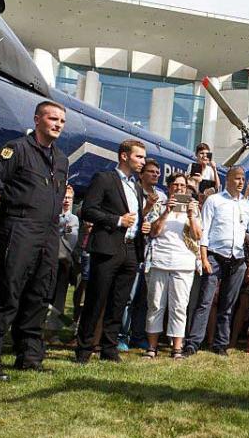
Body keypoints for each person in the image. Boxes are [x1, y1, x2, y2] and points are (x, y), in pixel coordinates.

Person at [0, 101, 70, 378]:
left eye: (62, 121)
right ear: (37, 119)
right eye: (53, 119)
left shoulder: (61, 159)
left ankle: (29, 355)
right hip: (19, 228)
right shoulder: (16, 150)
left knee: (39, 294)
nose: (58, 124)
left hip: (49, 232)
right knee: (7, 291)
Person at [74, 139, 147, 364]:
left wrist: (142, 225)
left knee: (119, 302)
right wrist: (117, 220)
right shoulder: (104, 179)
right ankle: (84, 349)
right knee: (96, 300)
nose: (143, 162)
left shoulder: (136, 186)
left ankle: (109, 348)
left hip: (131, 249)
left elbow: (135, 217)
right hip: (107, 248)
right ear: (124, 156)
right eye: (139, 157)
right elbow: (87, 210)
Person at [186, 165, 249, 356]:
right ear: (227, 179)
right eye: (237, 178)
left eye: (243, 179)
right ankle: (193, 343)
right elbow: (204, 231)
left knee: (227, 304)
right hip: (214, 256)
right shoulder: (214, 201)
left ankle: (221, 344)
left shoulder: (246, 205)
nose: (240, 182)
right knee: (205, 301)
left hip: (237, 260)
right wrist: (204, 258)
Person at [144, 172, 201, 359]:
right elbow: (153, 232)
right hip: (160, 261)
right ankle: (152, 347)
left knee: (179, 306)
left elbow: (198, 236)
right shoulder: (160, 206)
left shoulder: (193, 209)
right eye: (175, 185)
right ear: (169, 188)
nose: (179, 189)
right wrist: (167, 212)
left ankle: (177, 348)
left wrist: (191, 216)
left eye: (183, 186)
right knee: (155, 305)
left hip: (183, 263)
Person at [122, 160, 166, 350]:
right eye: (151, 172)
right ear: (142, 174)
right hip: (134, 249)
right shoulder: (133, 191)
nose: (155, 175)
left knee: (145, 299)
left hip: (154, 252)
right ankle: (121, 335)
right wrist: (147, 208)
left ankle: (138, 335)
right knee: (128, 297)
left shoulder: (162, 196)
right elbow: (131, 218)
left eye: (157, 172)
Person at [45, 185, 79, 341]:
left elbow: (71, 241)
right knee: (44, 295)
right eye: (64, 197)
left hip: (64, 263)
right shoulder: (51, 215)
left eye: (69, 198)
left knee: (59, 299)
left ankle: (53, 332)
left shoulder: (74, 219)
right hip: (48, 261)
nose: (66, 201)